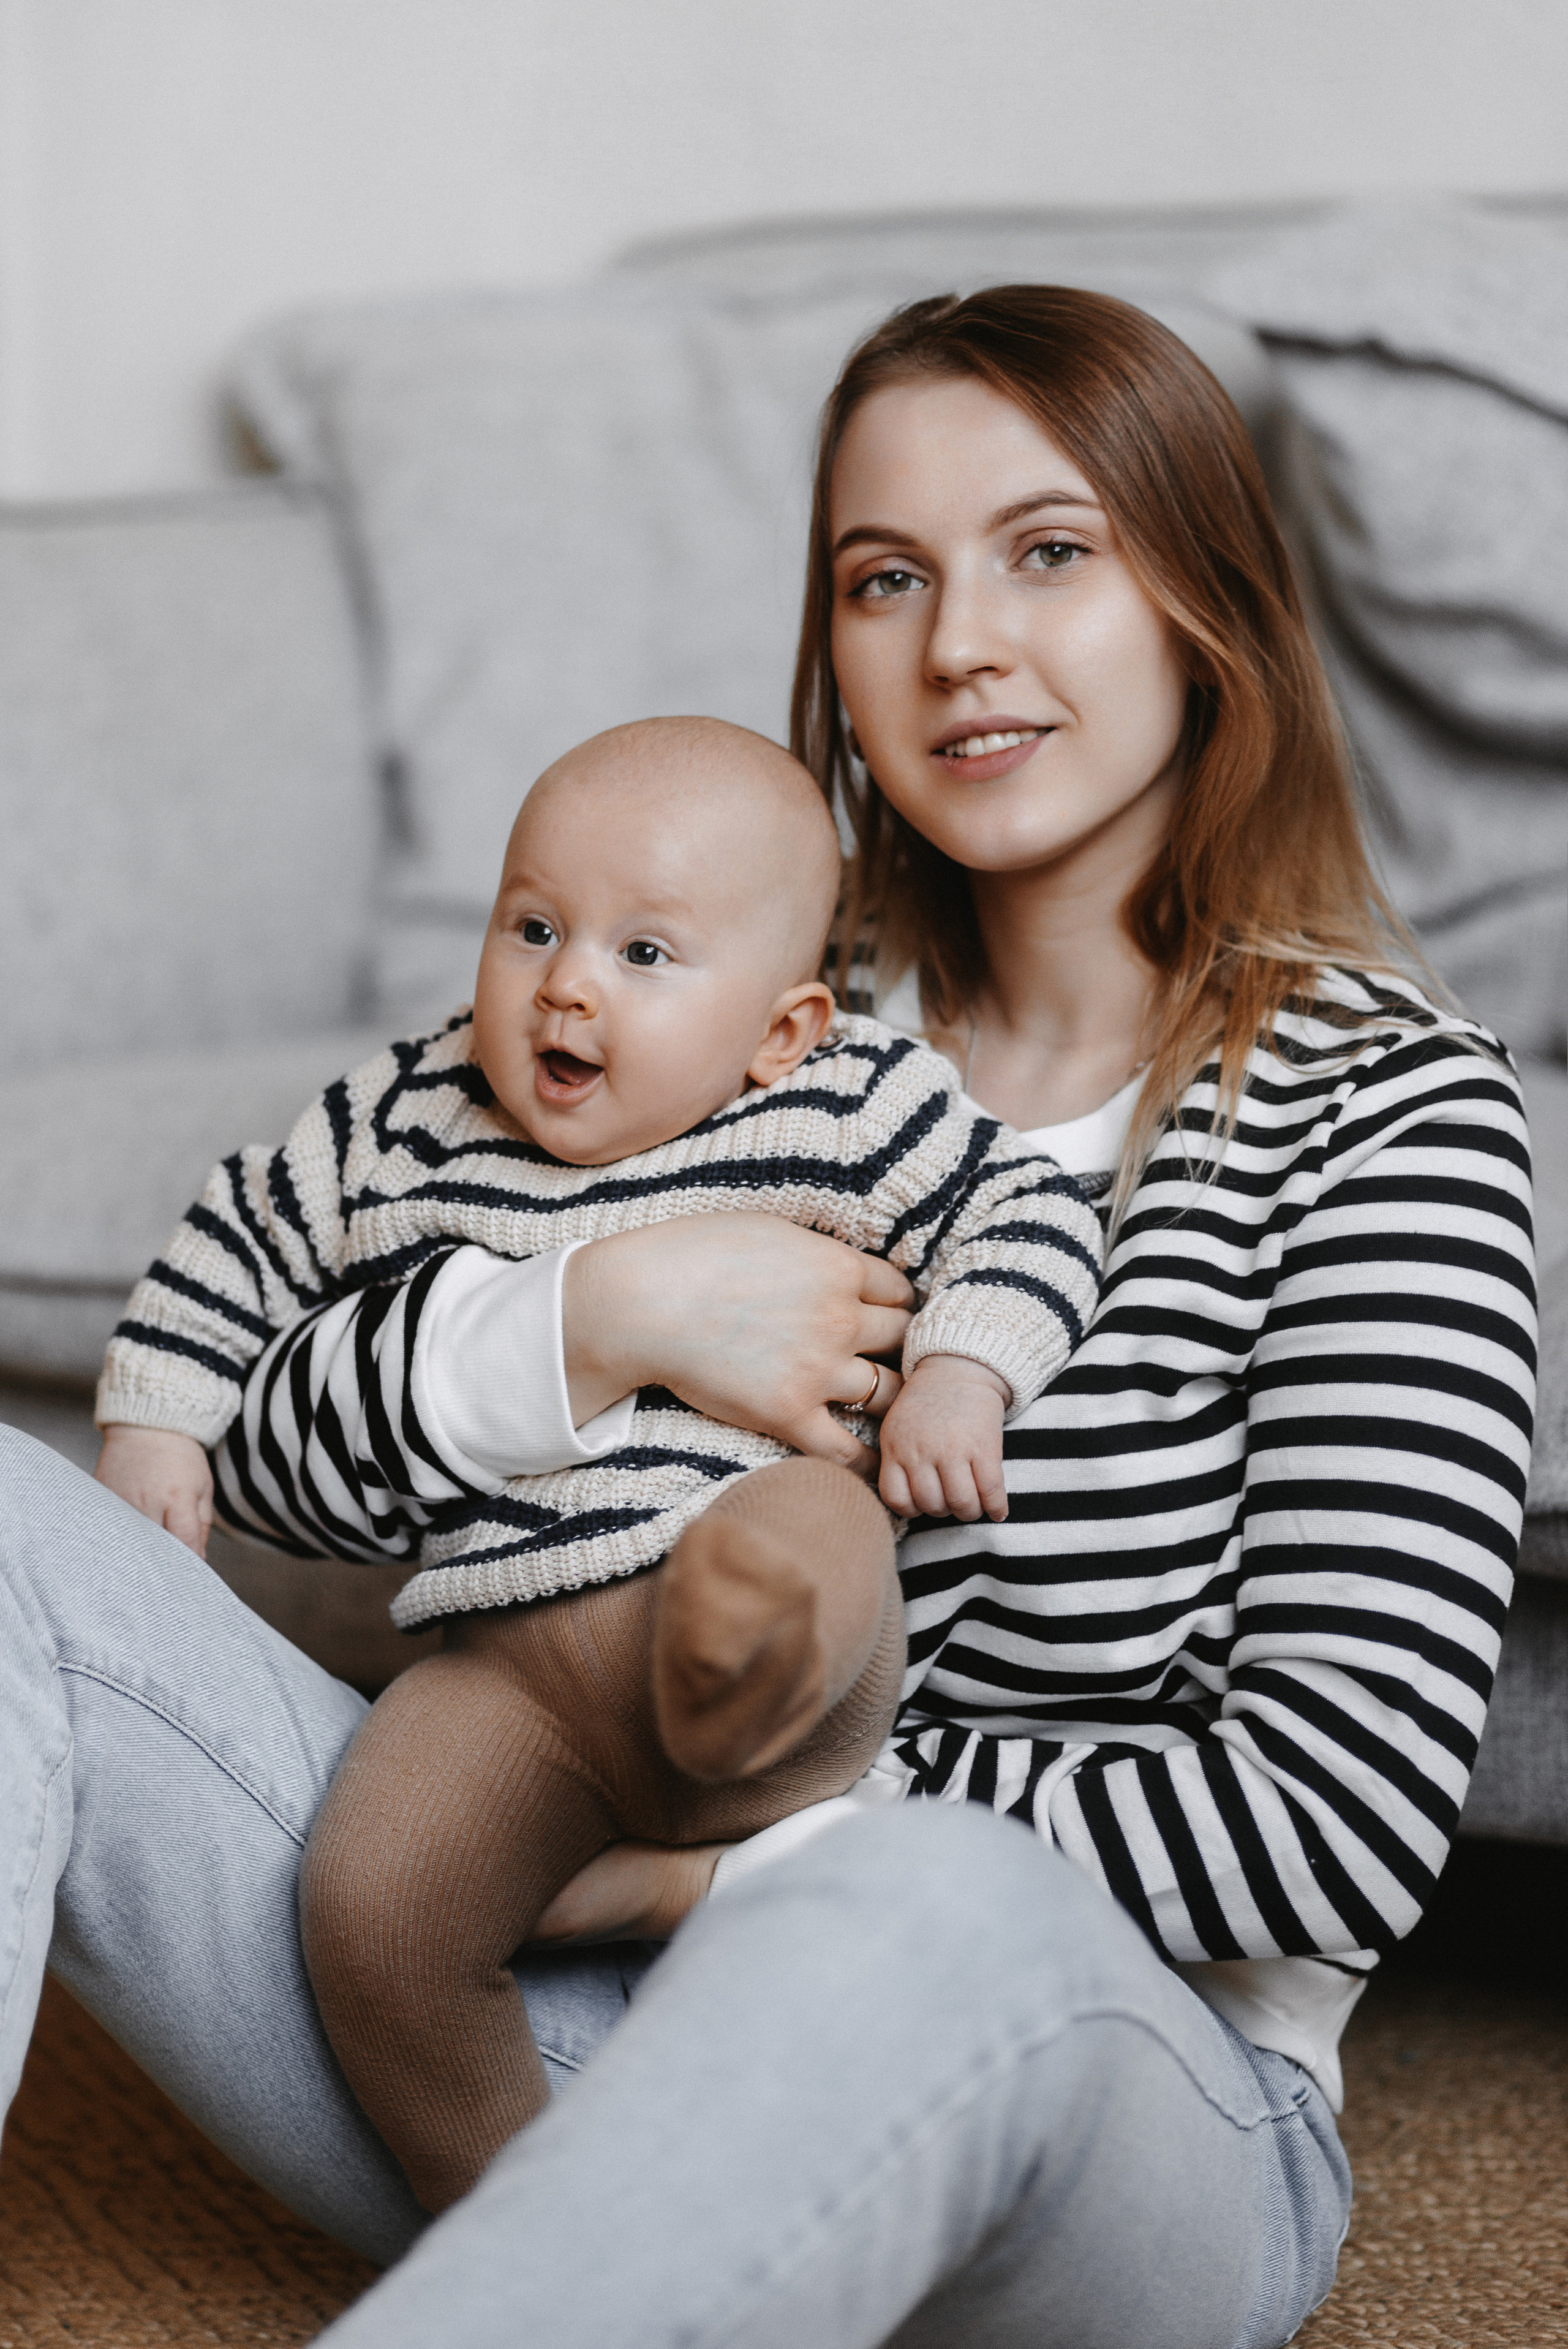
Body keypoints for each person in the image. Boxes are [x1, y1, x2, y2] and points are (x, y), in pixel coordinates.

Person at [1, 284, 1532, 2349]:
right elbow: (273, 1473)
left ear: (1207, 599)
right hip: (510, 2027)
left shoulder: (1390, 1113)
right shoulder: (735, 1009)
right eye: (883, 576)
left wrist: (732, 1873)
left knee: (922, 1894)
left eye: (1050, 550)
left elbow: (1324, 1829)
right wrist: (596, 1312)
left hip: (1094, 2108)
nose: (960, 643)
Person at [91, 713, 1101, 2213]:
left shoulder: (846, 1102)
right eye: (534, 926)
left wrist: (964, 1369)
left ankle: (731, 1674)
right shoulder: (414, 1107)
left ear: (780, 1030)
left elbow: (1024, 1210)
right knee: (372, 1910)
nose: (565, 982)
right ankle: (532, 2231)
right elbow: (246, 1225)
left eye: (644, 954)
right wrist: (155, 1415)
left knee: (795, 1531)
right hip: (511, 1671)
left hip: (762, 1580)